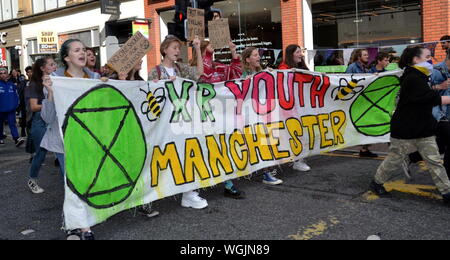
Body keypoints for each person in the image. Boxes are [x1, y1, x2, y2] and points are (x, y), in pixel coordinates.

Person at [369, 46, 450, 205]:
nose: (430, 59)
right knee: (394, 160)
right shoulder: (412, 77)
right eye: (427, 56)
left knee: (434, 161)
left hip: (423, 127)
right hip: (405, 128)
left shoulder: (420, 76)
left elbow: (424, 97)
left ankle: (447, 192)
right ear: (415, 59)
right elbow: (430, 98)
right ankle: (376, 183)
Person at [45, 39, 101, 240]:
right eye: (77, 50)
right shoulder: (55, 78)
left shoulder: (94, 76)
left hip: (89, 139)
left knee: (87, 181)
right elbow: (47, 117)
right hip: (64, 142)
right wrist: (51, 92)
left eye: (84, 49)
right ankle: (80, 228)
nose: (83, 53)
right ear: (67, 58)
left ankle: (79, 223)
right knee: (72, 181)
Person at [148, 35, 208, 209]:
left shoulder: (181, 68)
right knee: (170, 155)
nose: (177, 51)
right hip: (167, 123)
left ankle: (189, 192)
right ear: (164, 49)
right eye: (174, 47)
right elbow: (151, 96)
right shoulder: (156, 71)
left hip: (184, 119)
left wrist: (197, 49)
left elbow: (199, 73)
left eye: (178, 48)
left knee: (188, 152)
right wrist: (164, 84)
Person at [190, 39, 245, 199]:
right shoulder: (195, 68)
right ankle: (196, 186)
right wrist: (203, 52)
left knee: (224, 148)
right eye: (208, 45)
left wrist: (233, 52)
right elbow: (203, 76)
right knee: (204, 149)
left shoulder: (218, 66)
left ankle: (228, 184)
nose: (212, 47)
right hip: (202, 115)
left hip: (221, 114)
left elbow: (236, 73)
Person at [241, 47, 282, 185]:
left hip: (263, 113)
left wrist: (271, 74)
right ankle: (259, 171)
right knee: (254, 143)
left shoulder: (262, 71)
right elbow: (239, 89)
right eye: (255, 55)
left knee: (266, 141)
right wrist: (247, 80)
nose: (258, 57)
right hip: (250, 114)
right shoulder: (243, 73)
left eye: (258, 55)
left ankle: (266, 172)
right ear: (247, 59)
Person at [25, 57, 58, 194]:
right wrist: (49, 104)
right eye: (51, 65)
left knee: (60, 150)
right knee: (41, 153)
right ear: (42, 68)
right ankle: (32, 180)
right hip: (40, 122)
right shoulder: (34, 85)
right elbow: (33, 106)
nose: (54, 67)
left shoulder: (56, 81)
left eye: (54, 64)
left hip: (54, 120)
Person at [278, 44, 312, 172]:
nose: (301, 54)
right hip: (290, 108)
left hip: (302, 106)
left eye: (301, 52)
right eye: (298, 52)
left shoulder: (301, 67)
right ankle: (297, 160)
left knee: (302, 133)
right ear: (291, 54)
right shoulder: (283, 68)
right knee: (296, 133)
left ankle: (298, 159)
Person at [346, 49, 377, 158]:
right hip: (357, 101)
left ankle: (364, 149)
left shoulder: (367, 68)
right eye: (365, 55)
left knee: (367, 124)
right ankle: (363, 148)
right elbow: (347, 82)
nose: (367, 56)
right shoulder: (352, 67)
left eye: (367, 54)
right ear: (359, 57)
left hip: (365, 100)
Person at [0, 67, 25, 147]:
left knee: (12, 124)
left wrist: (16, 105)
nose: (3, 75)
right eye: (1, 73)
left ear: (7, 74)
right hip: (0, 109)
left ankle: (16, 138)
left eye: (4, 73)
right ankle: (0, 138)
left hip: (11, 109)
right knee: (0, 124)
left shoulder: (12, 84)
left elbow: (16, 95)